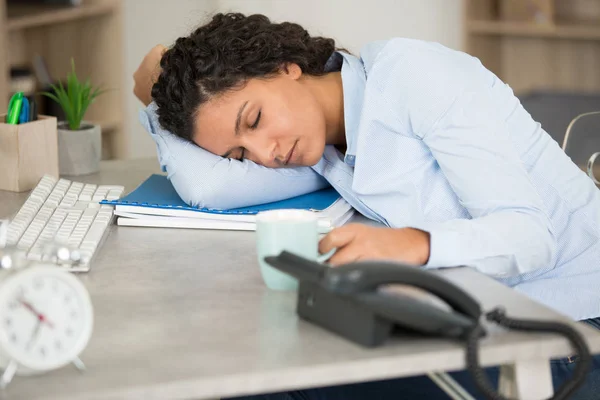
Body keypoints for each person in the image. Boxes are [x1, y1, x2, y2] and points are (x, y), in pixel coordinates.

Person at [133, 12, 600, 400]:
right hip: (491, 324)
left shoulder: (410, 74)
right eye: (240, 154)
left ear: (286, 66)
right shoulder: (320, 147)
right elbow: (206, 187)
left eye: (253, 119)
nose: (264, 154)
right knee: (244, 371)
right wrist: (159, 98)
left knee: (268, 384)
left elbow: (530, 238)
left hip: (572, 337)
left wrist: (409, 245)